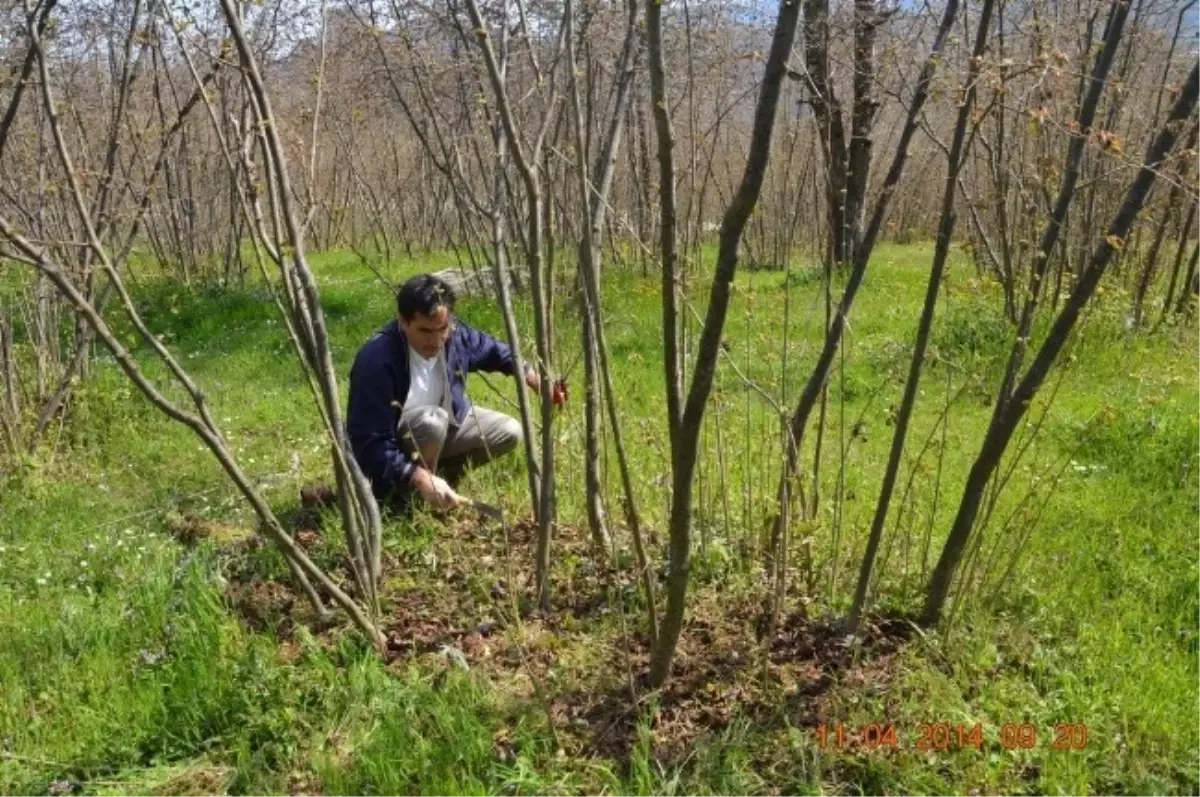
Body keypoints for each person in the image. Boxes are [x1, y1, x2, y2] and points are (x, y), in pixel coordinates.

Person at [346, 273, 538, 511]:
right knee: (431, 421)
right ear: (403, 322)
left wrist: (533, 377)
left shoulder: (455, 336)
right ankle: (406, 496)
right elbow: (369, 442)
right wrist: (417, 476)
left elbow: (495, 352)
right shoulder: (376, 361)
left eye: (443, 328)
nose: (437, 340)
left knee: (509, 432)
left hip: (443, 431)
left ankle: (442, 485)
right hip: (397, 445)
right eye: (425, 331)